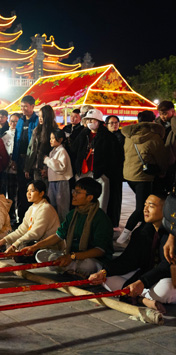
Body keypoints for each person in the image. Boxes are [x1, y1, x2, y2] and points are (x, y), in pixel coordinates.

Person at [88, 194, 174, 312]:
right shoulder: (143, 231)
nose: (145, 209)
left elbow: (166, 267)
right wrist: (104, 272)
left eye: (151, 206)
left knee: (165, 290)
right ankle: (141, 299)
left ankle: (138, 296)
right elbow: (129, 259)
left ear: (166, 210)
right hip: (146, 276)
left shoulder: (171, 237)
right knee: (107, 279)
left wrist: (142, 282)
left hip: (166, 277)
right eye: (145, 205)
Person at [23, 177, 114, 277]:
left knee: (88, 266)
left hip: (94, 260)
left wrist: (72, 256)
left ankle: (72, 269)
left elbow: (99, 251)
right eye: (74, 191)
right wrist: (35, 246)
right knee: (41, 254)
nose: (73, 195)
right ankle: (72, 269)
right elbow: (58, 236)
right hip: (72, 257)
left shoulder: (100, 218)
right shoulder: (72, 214)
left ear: (90, 197)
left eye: (78, 192)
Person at [119, 111, 169, 245]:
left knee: (143, 205)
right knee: (142, 207)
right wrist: (163, 170)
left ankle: (143, 232)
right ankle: (123, 236)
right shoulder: (154, 137)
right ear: (153, 121)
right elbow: (162, 158)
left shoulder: (129, 136)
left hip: (129, 175)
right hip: (144, 177)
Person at [0, 181, 61, 253]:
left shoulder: (46, 208)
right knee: (12, 244)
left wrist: (14, 245)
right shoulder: (31, 208)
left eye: (32, 191)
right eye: (27, 191)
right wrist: (4, 240)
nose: (28, 193)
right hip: (35, 244)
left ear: (41, 193)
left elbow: (35, 233)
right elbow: (21, 230)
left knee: (21, 247)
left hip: (49, 248)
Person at [12, 96, 38, 222]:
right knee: (20, 189)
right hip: (20, 160)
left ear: (32, 106)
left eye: (26, 106)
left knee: (31, 190)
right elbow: (16, 140)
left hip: (31, 161)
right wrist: (14, 159)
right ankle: (20, 218)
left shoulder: (37, 120)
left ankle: (31, 218)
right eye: (22, 106)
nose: (23, 109)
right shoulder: (20, 121)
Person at [43, 129, 73, 221]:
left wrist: (47, 160)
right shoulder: (53, 151)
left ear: (60, 140)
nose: (50, 140)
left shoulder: (62, 151)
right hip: (53, 181)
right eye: (50, 138)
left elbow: (61, 167)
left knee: (62, 207)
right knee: (53, 205)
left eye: (53, 138)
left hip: (61, 181)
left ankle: (64, 227)